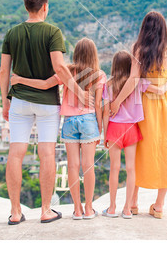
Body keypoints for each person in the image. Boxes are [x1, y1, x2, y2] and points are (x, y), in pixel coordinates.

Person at [0, 0, 90, 225]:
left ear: (26, 6)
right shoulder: (53, 32)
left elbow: (3, 71)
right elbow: (60, 68)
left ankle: (16, 212)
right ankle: (46, 210)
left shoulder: (12, 33)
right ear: (45, 7)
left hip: (18, 100)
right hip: (48, 103)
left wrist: (4, 100)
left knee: (16, 153)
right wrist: (80, 92)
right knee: (47, 153)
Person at [11, 38, 105, 220]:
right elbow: (99, 106)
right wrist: (99, 128)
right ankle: (88, 209)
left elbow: (45, 84)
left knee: (72, 166)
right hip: (89, 121)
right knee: (88, 166)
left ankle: (77, 210)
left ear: (76, 53)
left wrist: (19, 80)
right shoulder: (99, 74)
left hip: (69, 122)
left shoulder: (68, 71)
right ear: (94, 54)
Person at [110, 11, 167, 219]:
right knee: (165, 151)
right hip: (166, 106)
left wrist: (118, 101)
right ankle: (159, 205)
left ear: (144, 28)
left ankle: (134, 202)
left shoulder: (137, 49)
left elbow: (134, 79)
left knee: (139, 151)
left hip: (143, 105)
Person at [102, 50, 167, 219]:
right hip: (131, 129)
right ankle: (127, 209)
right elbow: (161, 91)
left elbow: (105, 112)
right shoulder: (138, 83)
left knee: (114, 169)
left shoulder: (108, 85)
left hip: (114, 129)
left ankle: (112, 208)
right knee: (131, 169)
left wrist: (105, 134)